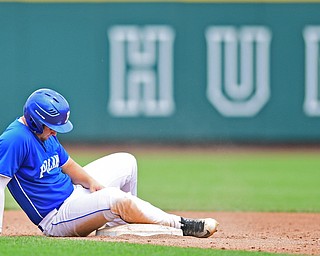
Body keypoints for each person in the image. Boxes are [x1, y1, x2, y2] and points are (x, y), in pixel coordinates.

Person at [0, 88, 218, 238]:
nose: (55, 131)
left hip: (73, 197)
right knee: (115, 198)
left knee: (127, 162)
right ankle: (179, 224)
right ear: (35, 121)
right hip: (56, 218)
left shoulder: (44, 133)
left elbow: (67, 164)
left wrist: (90, 182)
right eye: (51, 126)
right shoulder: (15, 139)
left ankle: (118, 226)